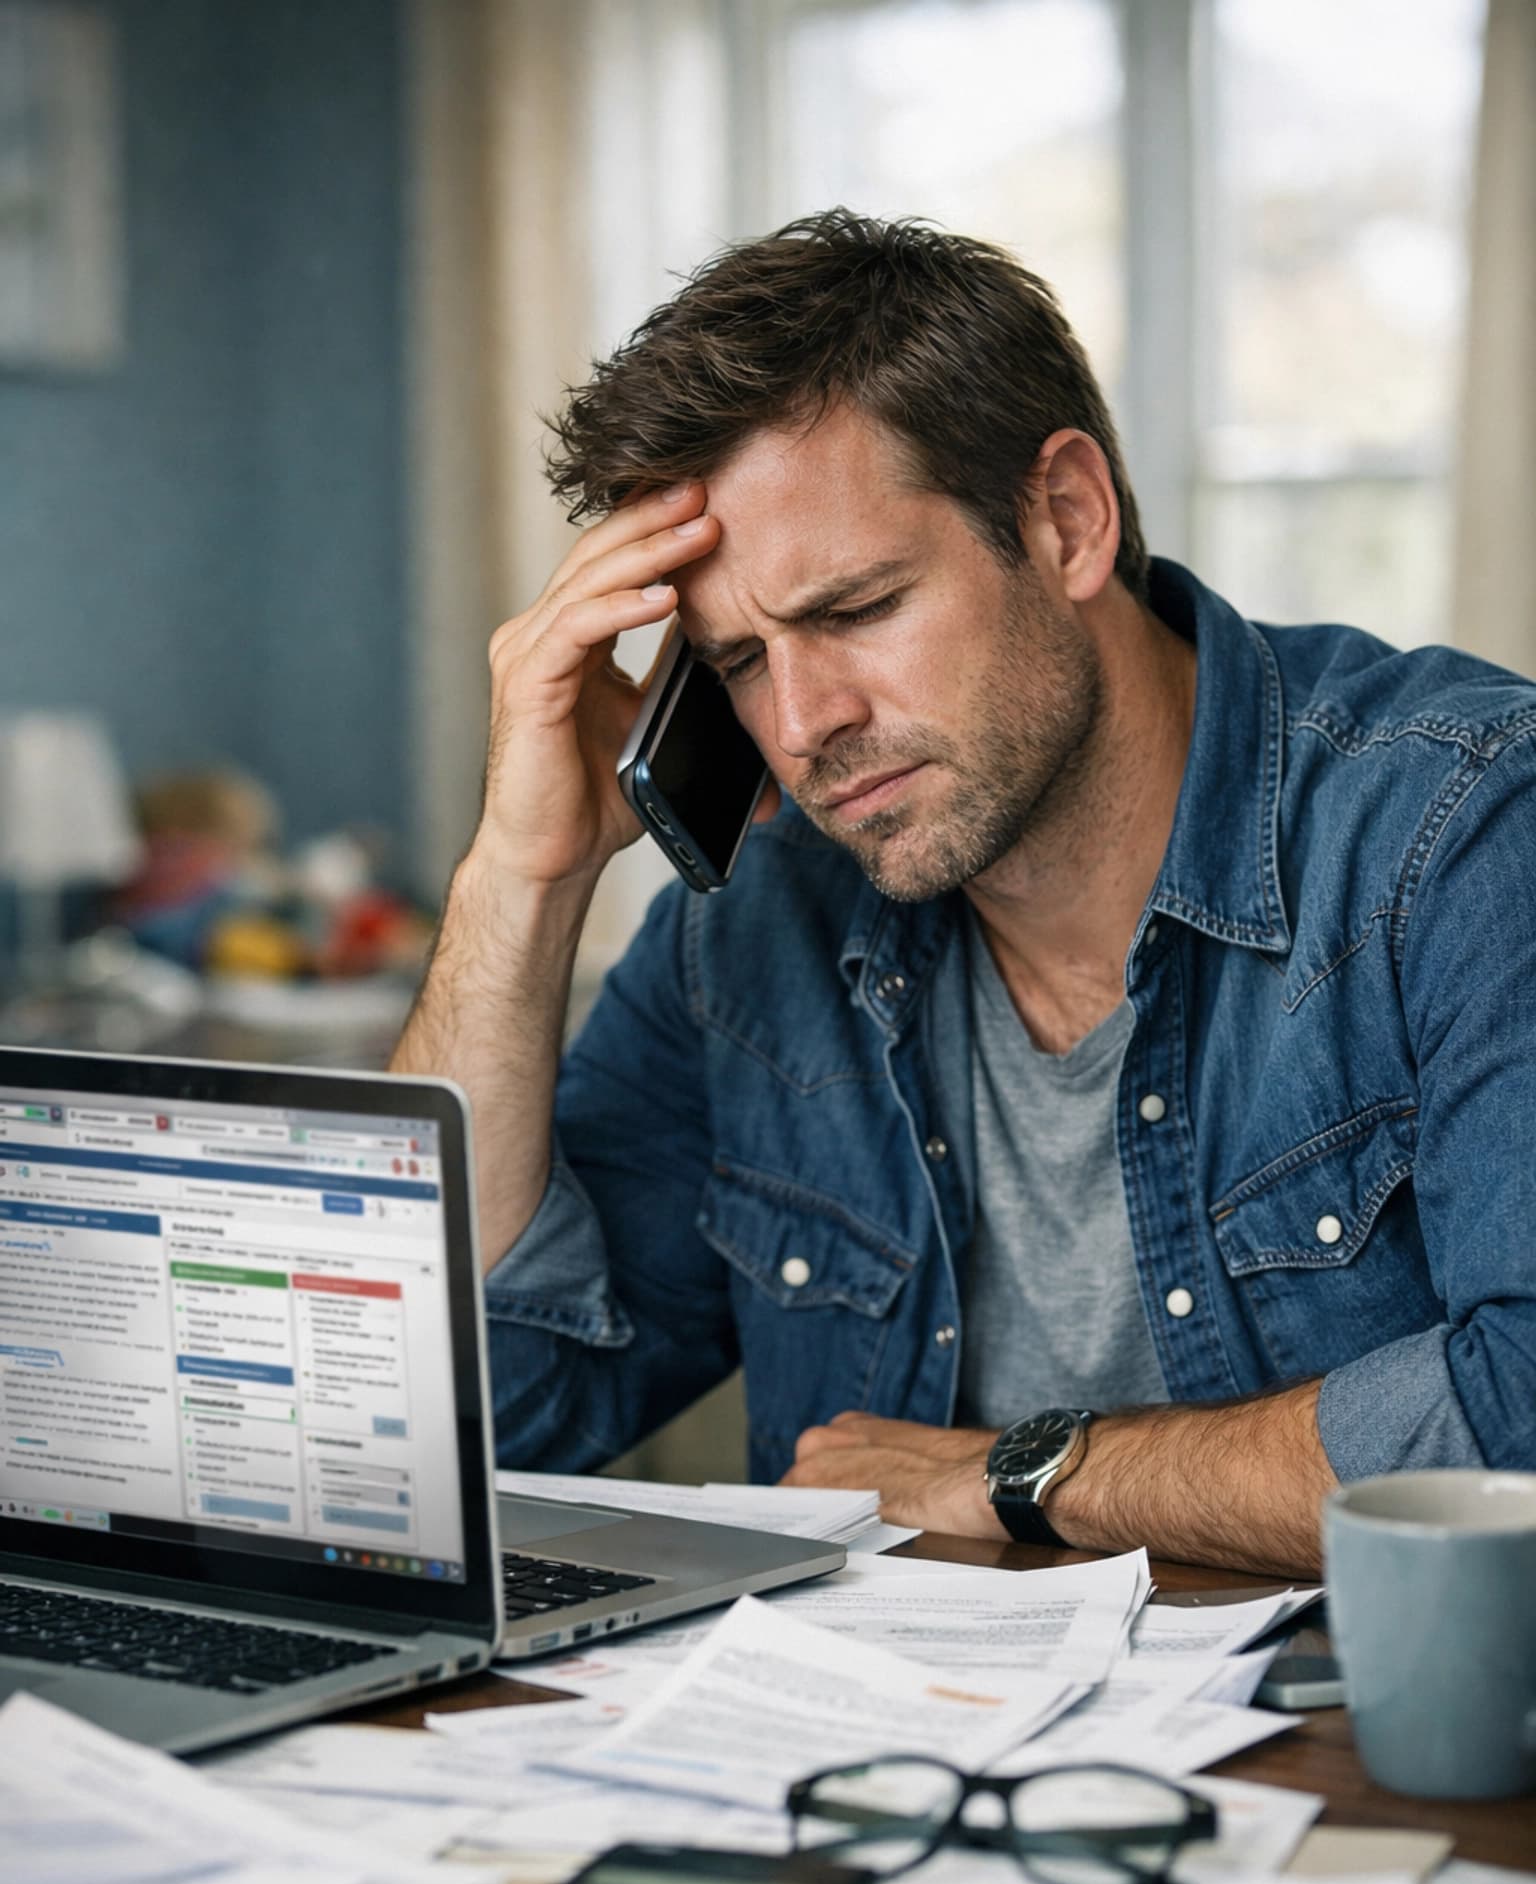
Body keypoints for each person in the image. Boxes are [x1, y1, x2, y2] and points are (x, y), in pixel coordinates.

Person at [394, 210, 1535, 1580]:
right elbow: (476, 1417)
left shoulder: (1464, 830)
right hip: (877, 1754)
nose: (807, 723)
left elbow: (1518, 1428)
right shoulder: (759, 921)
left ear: (1064, 520)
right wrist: (517, 884)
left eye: (857, 608)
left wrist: (1034, 1474)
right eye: (741, 660)